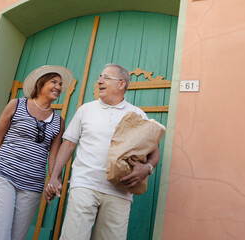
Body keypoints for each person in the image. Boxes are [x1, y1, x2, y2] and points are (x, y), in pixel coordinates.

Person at [45, 63, 160, 240]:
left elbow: (154, 151)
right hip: (84, 185)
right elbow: (68, 145)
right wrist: (54, 176)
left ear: (121, 84)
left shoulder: (138, 114)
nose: (99, 81)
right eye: (99, 77)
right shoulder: (85, 110)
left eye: (106, 77)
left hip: (120, 191)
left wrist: (147, 169)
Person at [0, 65, 73, 240]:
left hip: (32, 185)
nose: (58, 87)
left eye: (60, 84)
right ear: (41, 83)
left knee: (17, 237)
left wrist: (54, 179)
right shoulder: (16, 104)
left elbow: (53, 156)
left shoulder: (58, 122)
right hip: (3, 175)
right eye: (54, 82)